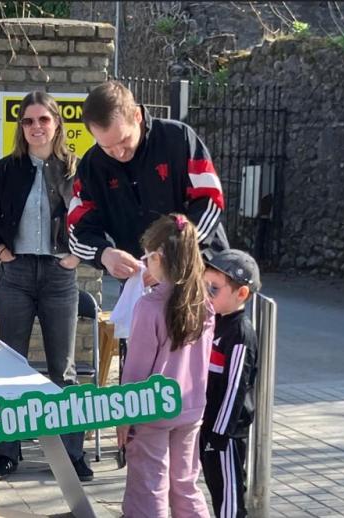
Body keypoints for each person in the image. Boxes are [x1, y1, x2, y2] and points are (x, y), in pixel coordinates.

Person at [0, 91, 92, 481]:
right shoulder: (3, 172)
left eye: (44, 119)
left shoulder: (76, 169)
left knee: (64, 370)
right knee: (12, 366)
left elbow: (94, 217)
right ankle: (8, 452)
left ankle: (72, 454)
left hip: (60, 275)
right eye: (28, 121)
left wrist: (77, 255)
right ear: (20, 127)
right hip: (18, 274)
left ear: (57, 123)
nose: (36, 127)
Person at [68, 79, 229, 279]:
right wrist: (104, 254)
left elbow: (211, 201)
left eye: (124, 140)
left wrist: (174, 254)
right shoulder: (91, 167)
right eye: (107, 147)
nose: (119, 153)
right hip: (141, 280)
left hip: (201, 269)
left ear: (137, 115)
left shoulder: (178, 139)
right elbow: (77, 231)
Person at [116, 213, 214, 518]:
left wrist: (123, 417)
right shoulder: (205, 304)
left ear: (158, 257)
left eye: (147, 257)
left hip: (151, 409)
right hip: (191, 409)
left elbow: (135, 371)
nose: (145, 264)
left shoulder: (148, 306)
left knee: (148, 489)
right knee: (185, 485)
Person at [200, 249, 260, 518]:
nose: (206, 294)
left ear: (242, 294)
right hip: (208, 426)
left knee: (229, 499)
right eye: (204, 286)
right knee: (216, 489)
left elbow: (235, 388)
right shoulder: (214, 322)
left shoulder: (239, 332)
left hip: (226, 435)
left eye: (213, 289)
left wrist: (218, 436)